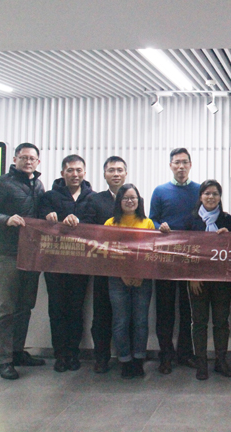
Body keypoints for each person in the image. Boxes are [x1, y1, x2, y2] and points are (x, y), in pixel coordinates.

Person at [0, 143, 46, 380]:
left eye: (32, 158)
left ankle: (18, 351)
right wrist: (6, 219)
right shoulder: (1, 183)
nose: (28, 162)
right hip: (8, 253)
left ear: (38, 162)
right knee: (5, 308)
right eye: (24, 157)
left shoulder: (38, 185)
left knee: (25, 306)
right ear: (15, 159)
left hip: (31, 254)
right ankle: (4, 360)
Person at [39, 154, 94, 372]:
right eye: (70, 170)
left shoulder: (92, 198)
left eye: (79, 170)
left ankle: (73, 353)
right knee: (57, 309)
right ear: (62, 173)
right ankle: (60, 355)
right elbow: (38, 218)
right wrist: (48, 216)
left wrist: (81, 222)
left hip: (81, 263)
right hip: (54, 263)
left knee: (76, 309)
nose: (75, 174)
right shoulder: (49, 196)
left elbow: (96, 224)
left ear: (85, 173)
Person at [150, 148, 200, 374]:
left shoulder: (199, 190)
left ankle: (185, 353)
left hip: (191, 259)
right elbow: (151, 219)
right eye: (177, 162)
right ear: (170, 165)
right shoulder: (160, 191)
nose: (181, 166)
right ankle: (166, 355)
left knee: (188, 310)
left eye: (185, 162)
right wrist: (158, 226)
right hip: (165, 259)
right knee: (165, 309)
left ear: (190, 165)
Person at [80, 156, 128, 373]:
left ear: (126, 173)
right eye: (111, 170)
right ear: (104, 174)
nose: (116, 174)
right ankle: (101, 357)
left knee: (126, 314)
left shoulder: (133, 197)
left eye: (119, 170)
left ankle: (126, 358)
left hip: (128, 266)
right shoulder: (94, 199)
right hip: (102, 266)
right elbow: (87, 228)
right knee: (102, 314)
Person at [104, 184, 155, 379]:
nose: (130, 201)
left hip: (143, 278)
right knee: (121, 321)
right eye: (125, 198)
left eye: (133, 198)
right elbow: (107, 253)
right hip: (117, 279)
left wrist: (140, 273)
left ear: (139, 201)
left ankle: (139, 360)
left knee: (141, 321)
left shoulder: (147, 223)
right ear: (119, 201)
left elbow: (152, 252)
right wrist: (123, 274)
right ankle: (125, 360)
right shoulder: (110, 223)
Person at [189, 179, 231, 380]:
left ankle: (220, 361)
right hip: (197, 280)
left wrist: (229, 237)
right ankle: (201, 363)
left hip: (222, 278)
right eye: (207, 193)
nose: (211, 197)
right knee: (199, 322)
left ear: (220, 197)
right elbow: (185, 251)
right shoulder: (191, 220)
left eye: (215, 193)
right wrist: (192, 276)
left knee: (221, 321)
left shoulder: (227, 220)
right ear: (200, 196)